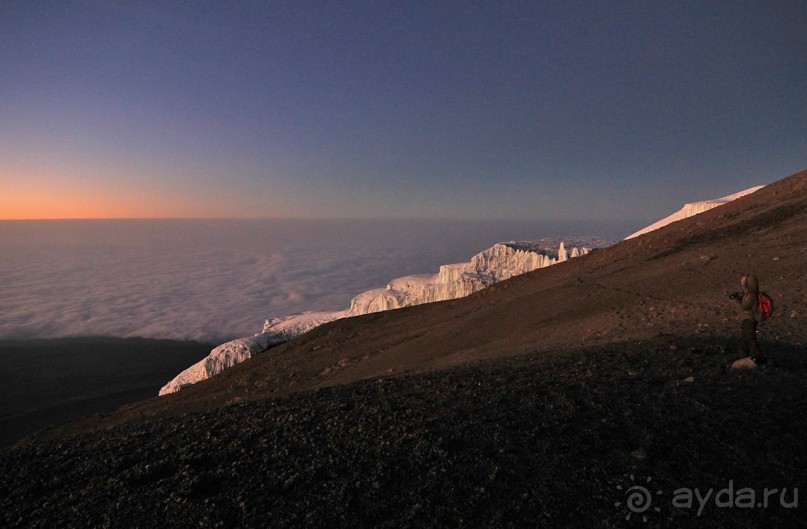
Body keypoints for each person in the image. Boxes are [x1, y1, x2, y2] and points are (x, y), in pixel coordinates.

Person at [730, 275, 768, 365]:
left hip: (749, 319)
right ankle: (743, 356)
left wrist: (735, 299)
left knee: (750, 339)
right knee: (745, 338)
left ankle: (760, 358)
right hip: (748, 319)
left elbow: (743, 307)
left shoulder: (751, 296)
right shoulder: (750, 295)